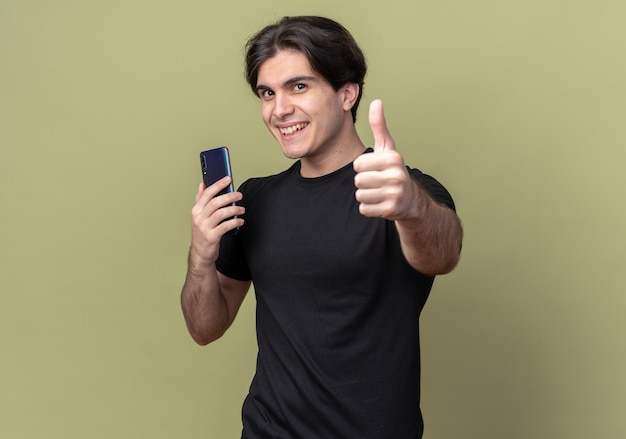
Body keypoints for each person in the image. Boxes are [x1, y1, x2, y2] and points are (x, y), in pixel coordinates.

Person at [181, 15, 463, 439]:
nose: (280, 110)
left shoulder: (400, 190)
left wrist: (409, 207)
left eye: (299, 86)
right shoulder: (253, 201)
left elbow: (444, 253)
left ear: (346, 93)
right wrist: (201, 255)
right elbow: (205, 329)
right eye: (266, 93)